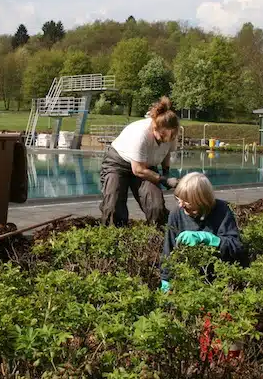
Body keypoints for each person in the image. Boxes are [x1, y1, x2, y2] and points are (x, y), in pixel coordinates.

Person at [99, 96, 180, 227]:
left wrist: (166, 172)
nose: (165, 141)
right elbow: (138, 170)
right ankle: (115, 237)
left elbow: (166, 154)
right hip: (118, 164)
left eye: (169, 138)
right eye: (162, 137)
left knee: (156, 206)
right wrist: (164, 180)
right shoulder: (141, 134)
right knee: (113, 206)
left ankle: (158, 236)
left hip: (146, 165)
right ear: (154, 127)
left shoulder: (171, 134)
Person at [160, 172, 247, 292]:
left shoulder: (222, 210)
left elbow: (236, 247)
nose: (181, 205)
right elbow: (168, 250)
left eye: (186, 201)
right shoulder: (176, 214)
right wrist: (166, 279)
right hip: (188, 278)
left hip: (219, 279)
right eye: (178, 199)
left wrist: (210, 239)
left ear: (201, 201)